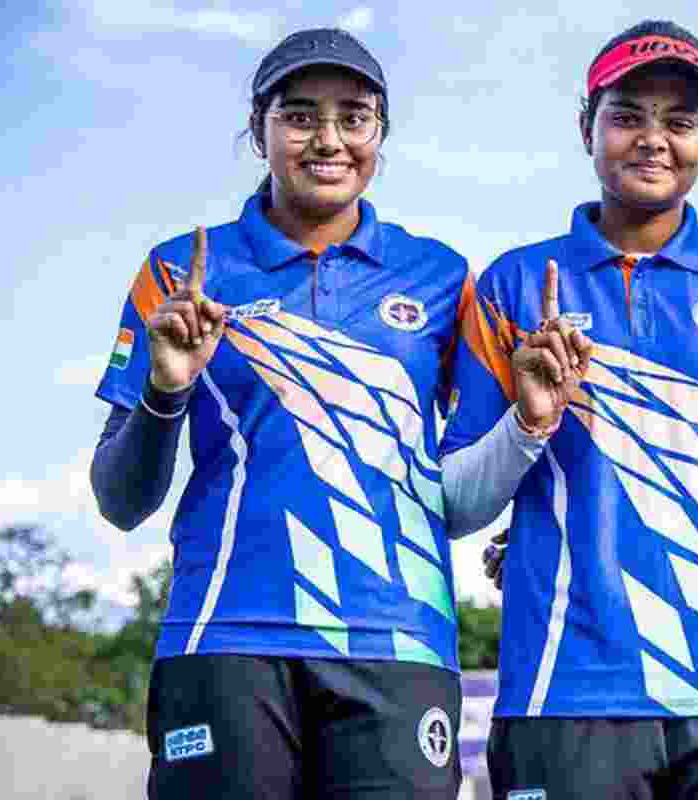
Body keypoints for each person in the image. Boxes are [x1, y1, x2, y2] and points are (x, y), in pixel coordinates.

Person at [441, 19, 698, 800]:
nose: (653, 140)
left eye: (680, 121)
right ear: (586, 127)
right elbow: (458, 504)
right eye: (628, 115)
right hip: (563, 693)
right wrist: (528, 422)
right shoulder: (513, 285)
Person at [89, 28, 471, 800]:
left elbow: (471, 472)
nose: (327, 139)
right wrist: (167, 390)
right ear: (258, 130)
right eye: (299, 116)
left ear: (380, 135)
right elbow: (120, 500)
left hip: (397, 643)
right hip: (226, 639)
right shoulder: (180, 267)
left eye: (354, 117)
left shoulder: (441, 276)